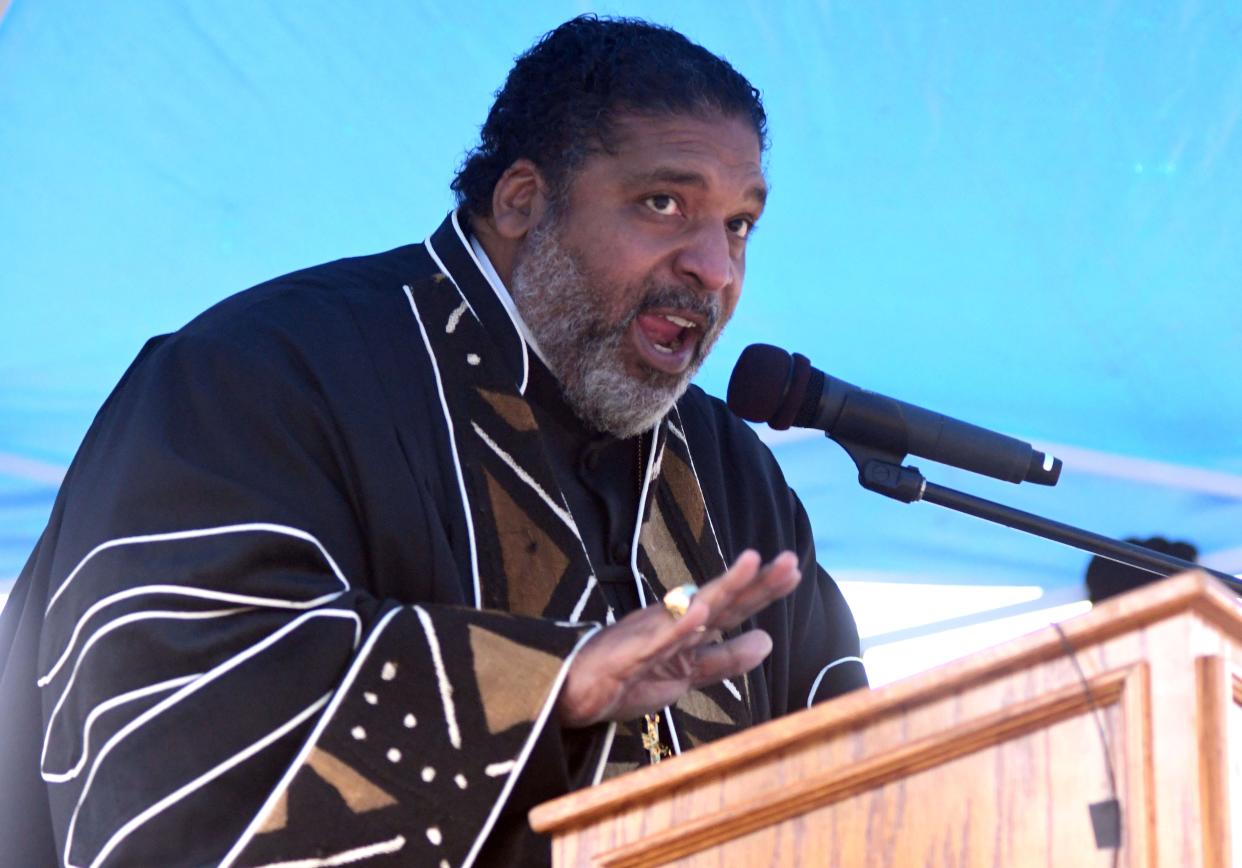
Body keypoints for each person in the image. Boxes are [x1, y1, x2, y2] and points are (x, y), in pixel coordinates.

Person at [0, 15, 867, 867]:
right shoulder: (259, 378)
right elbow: (180, 725)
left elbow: (855, 788)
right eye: (664, 203)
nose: (714, 268)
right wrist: (546, 685)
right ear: (523, 200)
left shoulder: (733, 477)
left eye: (739, 225)